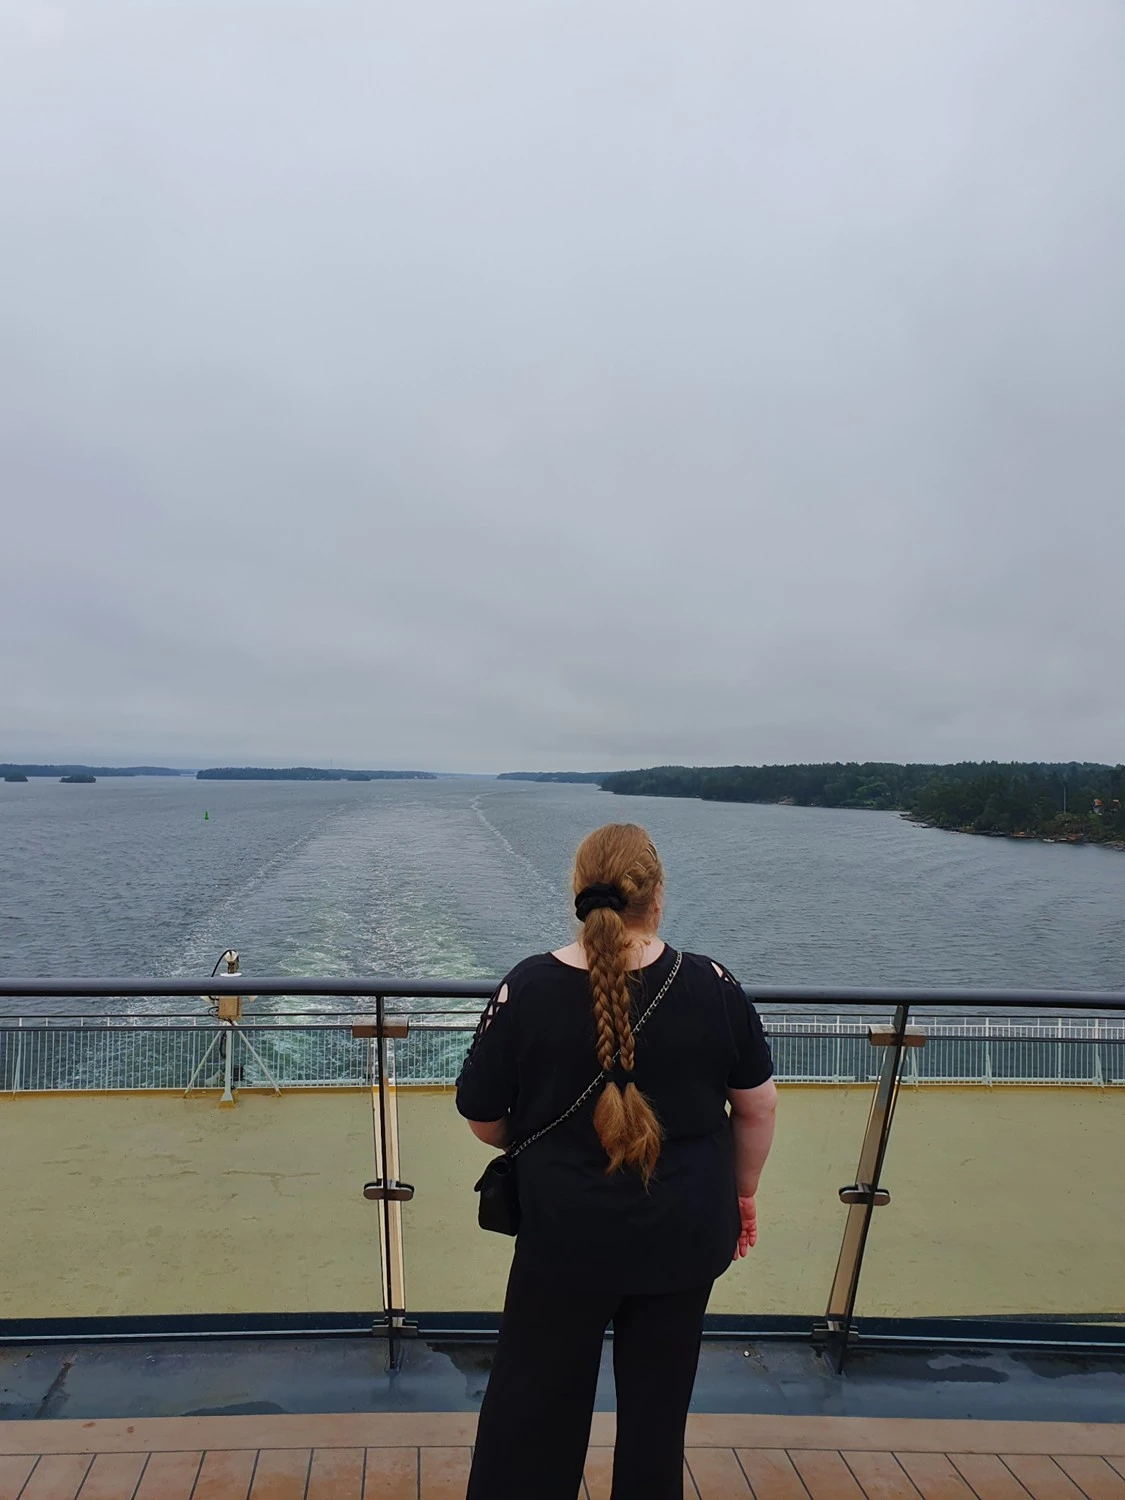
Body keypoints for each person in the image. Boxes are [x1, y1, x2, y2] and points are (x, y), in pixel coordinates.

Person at [456, 822, 777, 1500]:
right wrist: (742, 1193)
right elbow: (756, 1108)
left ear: (578, 893)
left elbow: (483, 1118)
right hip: (684, 1232)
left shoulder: (526, 988)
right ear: (655, 897)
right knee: (657, 1421)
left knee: (532, 1416)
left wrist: (541, 1142)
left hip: (564, 1237)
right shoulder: (713, 984)